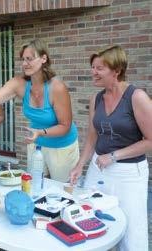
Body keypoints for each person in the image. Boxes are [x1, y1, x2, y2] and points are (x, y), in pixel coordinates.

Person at [0, 38, 79, 182]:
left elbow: (65, 126)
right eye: (23, 59)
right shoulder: (19, 84)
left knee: (61, 190)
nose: (25, 63)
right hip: (37, 145)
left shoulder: (57, 87)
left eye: (30, 59)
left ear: (44, 58)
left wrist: (41, 132)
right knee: (35, 186)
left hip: (61, 147)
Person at [70, 45, 151, 251]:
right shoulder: (95, 99)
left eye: (99, 68)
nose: (93, 72)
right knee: (88, 218)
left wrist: (114, 156)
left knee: (132, 234)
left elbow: (150, 140)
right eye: (93, 67)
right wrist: (80, 165)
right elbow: (92, 136)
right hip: (99, 168)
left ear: (116, 71)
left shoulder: (136, 97)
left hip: (129, 174)